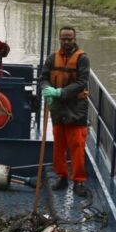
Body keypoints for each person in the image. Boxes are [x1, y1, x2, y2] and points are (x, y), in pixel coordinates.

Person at [40, 26, 90, 196]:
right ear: (59, 39)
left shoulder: (83, 58)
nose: (67, 42)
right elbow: (44, 78)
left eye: (70, 39)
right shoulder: (52, 58)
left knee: (77, 145)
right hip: (58, 108)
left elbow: (82, 82)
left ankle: (78, 182)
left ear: (74, 39)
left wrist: (62, 92)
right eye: (64, 39)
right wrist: (48, 90)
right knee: (59, 145)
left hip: (76, 108)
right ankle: (62, 177)